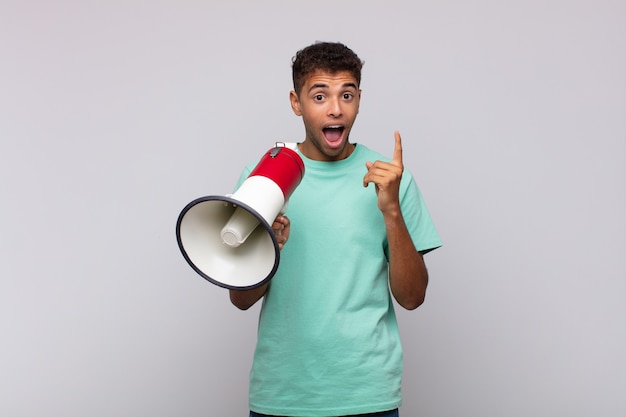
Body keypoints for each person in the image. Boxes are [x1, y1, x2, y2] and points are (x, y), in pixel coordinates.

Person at [229, 41, 442, 417]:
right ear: (296, 103)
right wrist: (269, 248)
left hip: (367, 395)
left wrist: (391, 210)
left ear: (359, 99)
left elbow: (412, 298)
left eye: (346, 94)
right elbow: (241, 299)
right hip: (283, 395)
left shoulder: (390, 178)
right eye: (319, 95)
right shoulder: (264, 176)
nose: (335, 108)